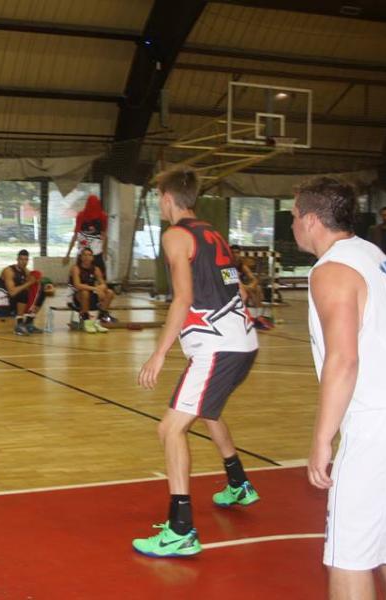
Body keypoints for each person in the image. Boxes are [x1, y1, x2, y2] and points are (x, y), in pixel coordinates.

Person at [292, 177, 386, 599]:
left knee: (349, 556)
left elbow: (344, 359)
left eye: (294, 216)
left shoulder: (331, 270)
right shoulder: (376, 257)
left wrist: (322, 438)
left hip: (376, 423)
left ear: (311, 220)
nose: (293, 225)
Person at [133, 167, 259, 558]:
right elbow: (239, 289)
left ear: (167, 198)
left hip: (217, 347)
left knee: (170, 429)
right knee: (206, 411)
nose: (159, 203)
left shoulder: (175, 235)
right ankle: (238, 482)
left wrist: (158, 352)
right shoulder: (212, 233)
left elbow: (183, 298)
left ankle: (181, 529)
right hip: (243, 342)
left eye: (159, 197)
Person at [0, 249, 47, 336]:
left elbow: (33, 286)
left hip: (15, 301)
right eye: (21, 259)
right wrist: (29, 283)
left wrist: (44, 287)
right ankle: (19, 324)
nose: (23, 262)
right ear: (17, 259)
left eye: (26, 260)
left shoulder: (26, 271)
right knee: (23, 292)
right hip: (3, 303)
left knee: (42, 292)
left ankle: (29, 322)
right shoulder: (9, 271)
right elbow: (12, 292)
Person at [68, 247, 115, 333]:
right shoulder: (75, 268)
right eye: (84, 255)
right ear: (81, 257)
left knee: (110, 292)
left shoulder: (96, 269)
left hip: (91, 293)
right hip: (77, 296)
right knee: (85, 292)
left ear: (92, 258)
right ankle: (87, 322)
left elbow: (103, 284)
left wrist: (101, 289)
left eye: (89, 255)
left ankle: (99, 320)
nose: (87, 257)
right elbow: (77, 285)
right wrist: (95, 288)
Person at [64, 194, 109, 277]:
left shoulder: (103, 217)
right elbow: (75, 235)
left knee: (99, 276)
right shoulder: (81, 216)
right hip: (84, 253)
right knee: (80, 276)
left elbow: (104, 236)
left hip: (95, 253)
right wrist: (68, 254)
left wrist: (104, 252)